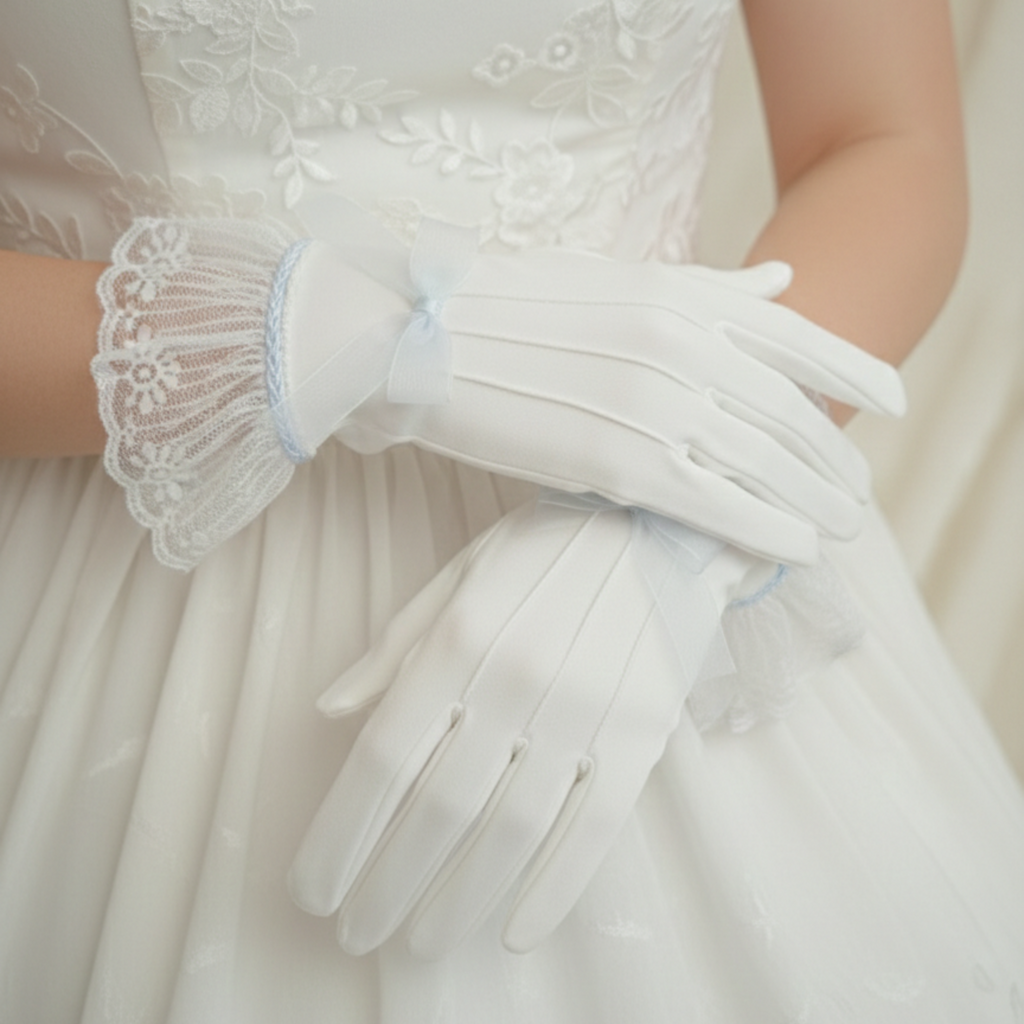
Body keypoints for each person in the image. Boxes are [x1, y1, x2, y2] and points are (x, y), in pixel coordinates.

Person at [1, 1, 1022, 1022]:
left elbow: (883, 139)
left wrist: (681, 513)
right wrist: (326, 338)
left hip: (665, 501)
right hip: (109, 555)